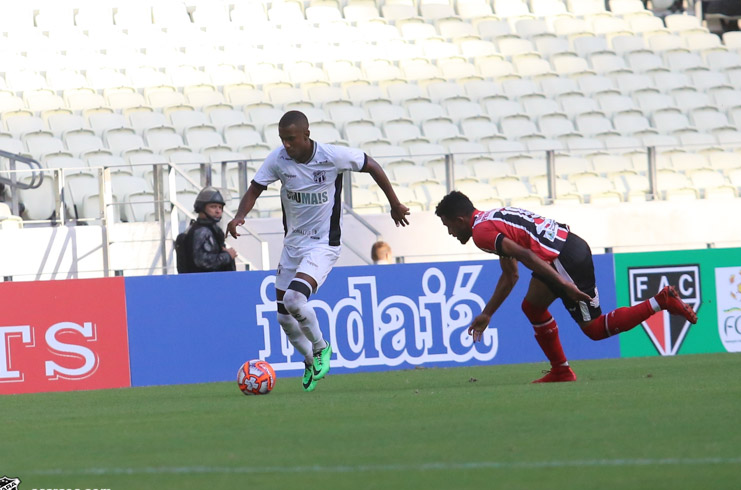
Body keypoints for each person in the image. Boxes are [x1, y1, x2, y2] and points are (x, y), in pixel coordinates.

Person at [227, 110, 411, 392]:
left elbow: (371, 164)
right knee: (283, 317)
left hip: (322, 245)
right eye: (282, 139)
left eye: (291, 139)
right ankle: (311, 360)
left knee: (294, 300)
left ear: (306, 135)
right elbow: (255, 188)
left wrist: (394, 203)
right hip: (293, 246)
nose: (287, 145)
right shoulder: (278, 159)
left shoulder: (331, 156)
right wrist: (240, 215)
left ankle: (321, 347)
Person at [435, 191, 698, 383]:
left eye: (447, 226)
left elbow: (525, 257)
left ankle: (661, 301)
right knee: (532, 307)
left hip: (564, 259)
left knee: (595, 329)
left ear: (459, 219)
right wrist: (488, 313)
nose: (449, 233)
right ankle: (561, 370)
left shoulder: (480, 234)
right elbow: (511, 275)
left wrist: (563, 282)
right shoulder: (490, 219)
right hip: (564, 249)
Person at [177, 186, 237, 273]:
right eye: (213, 207)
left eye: (220, 207)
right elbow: (202, 261)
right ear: (201, 208)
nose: (218, 211)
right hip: (204, 283)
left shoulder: (210, 230)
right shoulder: (202, 231)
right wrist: (227, 256)